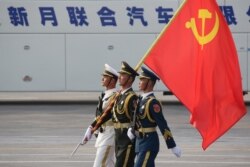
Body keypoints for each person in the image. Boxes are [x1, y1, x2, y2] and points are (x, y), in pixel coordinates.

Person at [83, 61, 139, 167]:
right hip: (117, 138)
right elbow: (107, 113)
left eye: (123, 75)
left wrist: (133, 129)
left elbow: (136, 117)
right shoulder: (119, 95)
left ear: (130, 79)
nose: (120, 77)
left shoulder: (131, 97)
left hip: (125, 138)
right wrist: (93, 127)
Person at [127, 66, 181, 167]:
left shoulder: (153, 103)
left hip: (149, 143)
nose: (139, 82)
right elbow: (135, 118)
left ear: (150, 83)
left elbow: (162, 125)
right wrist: (131, 128)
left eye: (142, 80)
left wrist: (172, 145)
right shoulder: (140, 100)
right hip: (140, 143)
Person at [84, 64, 118, 167]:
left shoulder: (114, 96)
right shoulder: (105, 95)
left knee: (99, 165)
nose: (102, 78)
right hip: (103, 135)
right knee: (108, 164)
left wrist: (93, 127)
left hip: (109, 135)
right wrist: (91, 128)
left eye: (106, 77)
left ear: (112, 81)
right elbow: (99, 115)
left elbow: (105, 115)